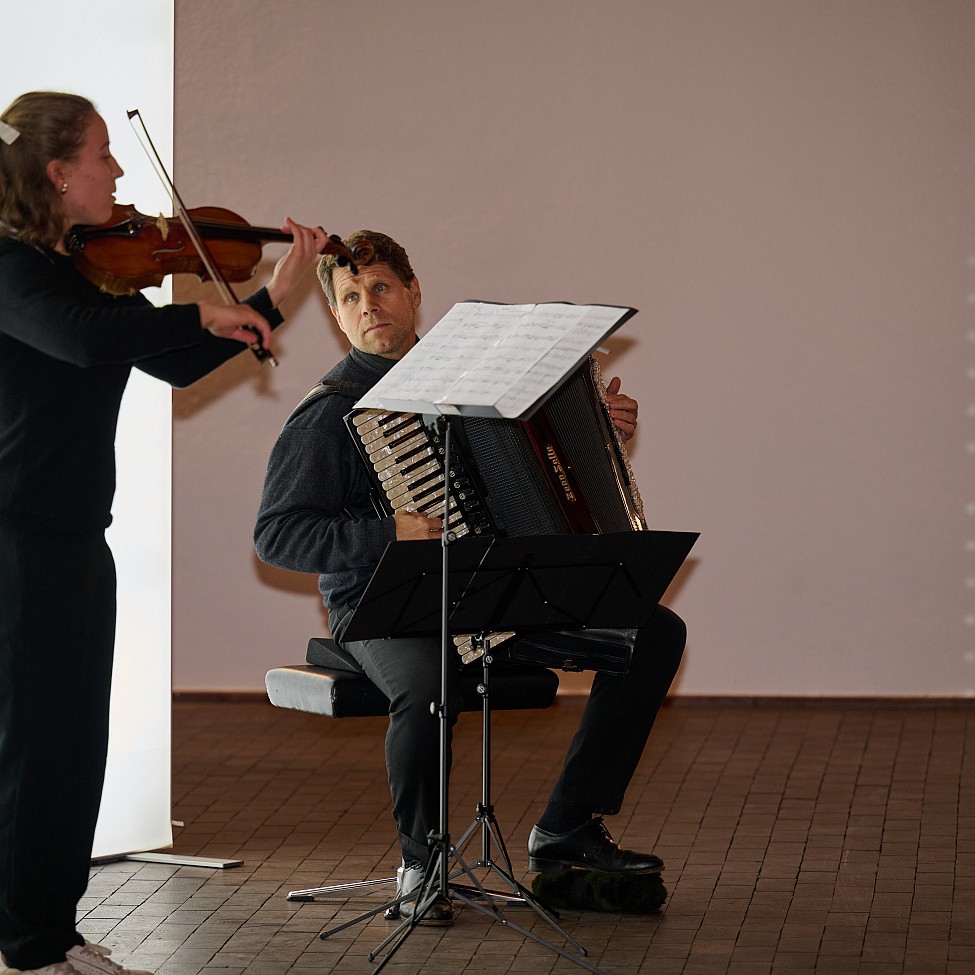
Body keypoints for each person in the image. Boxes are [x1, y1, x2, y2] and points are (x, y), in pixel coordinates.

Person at [254, 230, 686, 925]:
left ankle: (566, 827)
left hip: (494, 590)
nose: (370, 304)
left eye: (383, 287)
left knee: (653, 631)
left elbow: (542, 468)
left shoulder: (482, 388)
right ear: (337, 316)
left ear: (414, 292)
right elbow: (276, 534)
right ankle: (420, 863)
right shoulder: (331, 413)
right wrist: (385, 532)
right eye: (351, 296)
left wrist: (602, 433)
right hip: (386, 604)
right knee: (428, 684)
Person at [0, 91, 329, 975]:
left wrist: (272, 297)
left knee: (70, 743)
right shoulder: (12, 269)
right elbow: (75, 340)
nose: (119, 174)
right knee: (36, 748)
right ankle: (29, 946)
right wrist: (200, 310)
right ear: (57, 172)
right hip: (17, 543)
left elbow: (170, 361)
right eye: (104, 156)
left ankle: (48, 930)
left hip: (69, 538)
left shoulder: (82, 270)